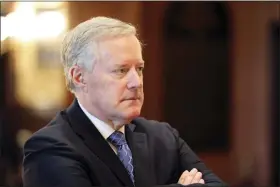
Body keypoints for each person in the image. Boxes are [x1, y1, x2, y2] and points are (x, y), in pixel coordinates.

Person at [22, 16, 226, 187]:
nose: (136, 82)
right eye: (121, 70)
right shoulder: (50, 147)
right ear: (79, 77)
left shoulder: (162, 137)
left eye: (139, 69)